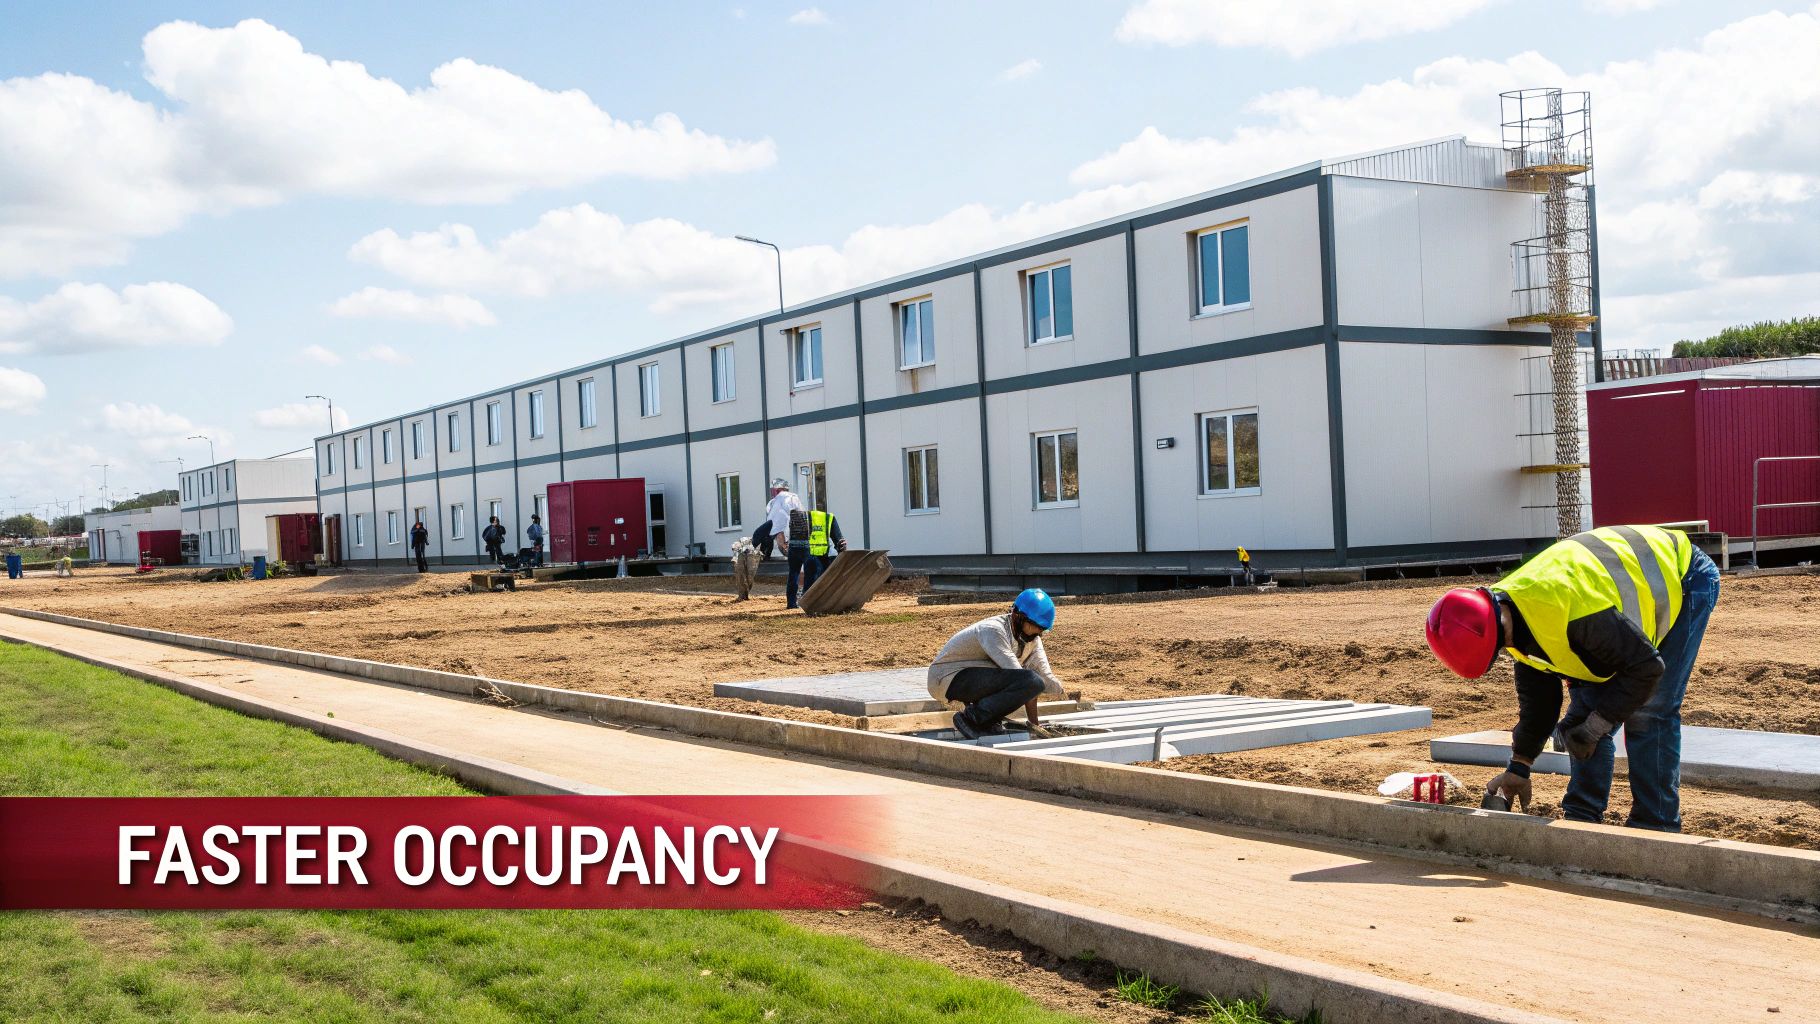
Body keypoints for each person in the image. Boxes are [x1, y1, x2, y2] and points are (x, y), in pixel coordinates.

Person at [1425, 524, 1720, 832]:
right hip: (1606, 606)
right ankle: (1583, 820)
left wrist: (1596, 726)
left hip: (1681, 575)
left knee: (1649, 712)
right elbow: (1540, 705)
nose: (1505, 653)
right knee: (1585, 714)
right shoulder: (1507, 617)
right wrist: (1519, 766)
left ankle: (1656, 826)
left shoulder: (1570, 613)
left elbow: (1647, 669)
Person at [929, 589, 1070, 739]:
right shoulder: (993, 630)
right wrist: (1032, 686)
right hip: (947, 678)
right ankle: (971, 718)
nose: (1038, 634)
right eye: (1035, 628)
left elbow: (1041, 676)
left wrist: (1037, 725)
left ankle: (986, 720)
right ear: (1018, 616)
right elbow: (1022, 679)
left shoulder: (1032, 638)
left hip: (977, 676)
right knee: (1029, 681)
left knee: (1034, 681)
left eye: (1041, 631)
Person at [783, 502, 819, 609]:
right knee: (809, 574)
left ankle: (791, 603)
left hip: (793, 547)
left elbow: (785, 533)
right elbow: (812, 531)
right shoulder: (808, 516)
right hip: (806, 547)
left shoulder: (789, 516)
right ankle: (807, 602)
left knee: (793, 574)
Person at [757, 478, 800, 560]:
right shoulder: (772, 503)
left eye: (777, 491)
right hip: (785, 539)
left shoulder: (791, 501)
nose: (775, 493)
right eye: (774, 491)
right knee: (767, 534)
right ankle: (765, 557)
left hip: (793, 539)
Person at [807, 507, 848, 578]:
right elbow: (840, 542)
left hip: (812, 559)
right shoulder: (828, 517)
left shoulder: (799, 519)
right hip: (829, 557)